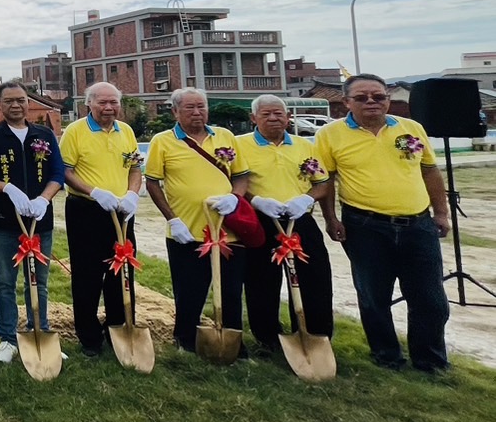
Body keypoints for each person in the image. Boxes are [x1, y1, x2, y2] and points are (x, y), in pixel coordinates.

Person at [315, 73, 451, 372]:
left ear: (388, 99)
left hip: (418, 225)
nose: (371, 102)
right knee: (374, 297)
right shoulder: (329, 135)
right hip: (365, 226)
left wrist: (441, 212)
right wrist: (331, 218)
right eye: (362, 97)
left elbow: (430, 171)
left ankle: (430, 360)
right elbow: (326, 179)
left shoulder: (411, 128)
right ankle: (387, 356)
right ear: (346, 101)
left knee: (430, 299)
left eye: (378, 96)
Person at [144, 87, 249, 353]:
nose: (197, 112)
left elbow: (241, 175)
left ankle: (234, 345)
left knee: (231, 291)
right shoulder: (162, 141)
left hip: (227, 230)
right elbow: (153, 183)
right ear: (175, 112)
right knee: (189, 291)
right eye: (189, 107)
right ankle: (186, 341)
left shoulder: (225, 136)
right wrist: (172, 219)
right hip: (187, 231)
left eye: (201, 106)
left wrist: (235, 197)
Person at [0, 80, 65, 364]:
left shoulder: (44, 135)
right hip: (4, 221)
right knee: (5, 281)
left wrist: (44, 199)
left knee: (39, 281)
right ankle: (8, 338)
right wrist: (7, 188)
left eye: (20, 100)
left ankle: (40, 330)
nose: (15, 105)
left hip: (40, 221)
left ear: (28, 102)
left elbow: (58, 173)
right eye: (9, 101)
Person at [237, 95, 334, 352]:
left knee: (314, 277)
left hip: (298, 218)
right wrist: (256, 201)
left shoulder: (303, 145)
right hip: (261, 220)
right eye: (266, 114)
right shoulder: (240, 145)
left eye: (278, 113)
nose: (273, 118)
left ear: (288, 117)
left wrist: (306, 199)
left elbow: (322, 182)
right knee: (261, 281)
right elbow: (232, 181)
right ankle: (268, 337)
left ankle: (315, 334)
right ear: (253, 118)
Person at [58, 82, 141, 356]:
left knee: (122, 271)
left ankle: (119, 327)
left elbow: (134, 168)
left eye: (113, 102)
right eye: (102, 102)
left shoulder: (125, 131)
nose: (108, 108)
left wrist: (132, 194)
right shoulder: (75, 131)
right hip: (86, 209)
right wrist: (93, 191)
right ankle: (89, 337)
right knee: (88, 276)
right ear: (89, 104)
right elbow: (65, 171)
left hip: (121, 211)